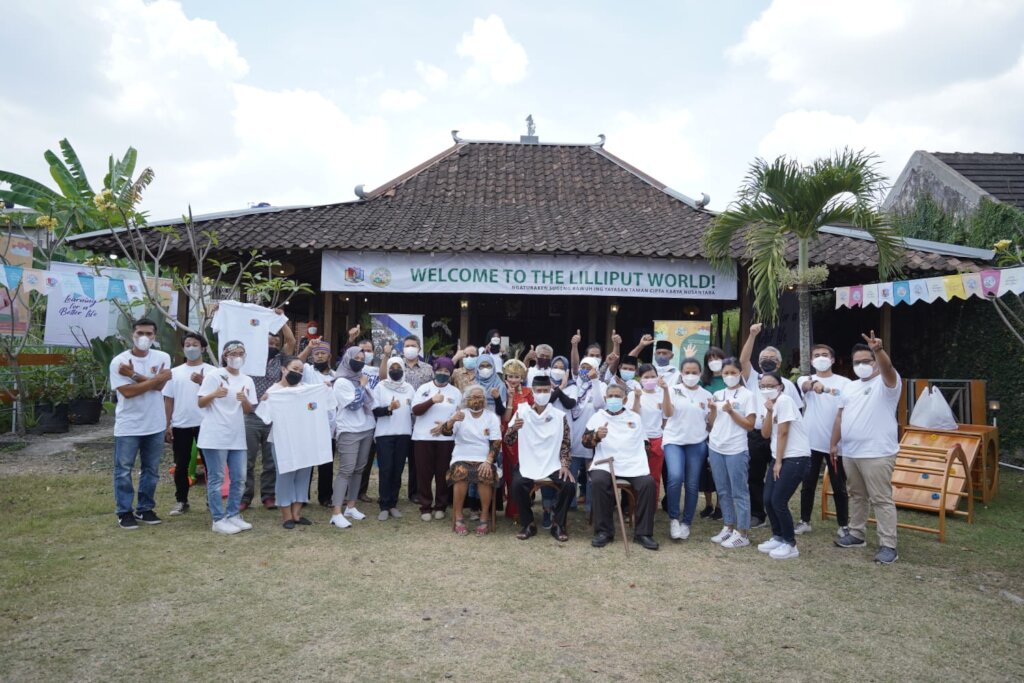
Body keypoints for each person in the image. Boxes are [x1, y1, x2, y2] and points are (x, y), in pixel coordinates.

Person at [830, 332, 902, 565]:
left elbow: (888, 369)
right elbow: (840, 417)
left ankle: (888, 545)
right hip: (851, 452)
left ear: (875, 362)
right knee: (857, 495)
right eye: (857, 362)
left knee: (881, 499)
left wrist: (879, 351)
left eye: (866, 361)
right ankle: (856, 533)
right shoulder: (850, 388)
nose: (861, 366)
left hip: (878, 452)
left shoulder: (887, 383)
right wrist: (834, 444)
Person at [256, 356, 337, 529]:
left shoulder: (308, 390)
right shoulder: (274, 392)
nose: (297, 373)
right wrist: (264, 401)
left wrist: (326, 388)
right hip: (283, 441)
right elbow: (264, 417)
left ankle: (297, 513)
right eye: (294, 369)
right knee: (285, 475)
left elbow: (328, 402)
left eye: (301, 370)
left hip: (306, 439)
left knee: (303, 475)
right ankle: (286, 516)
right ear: (284, 369)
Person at [110, 318, 173, 529]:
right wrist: (153, 380)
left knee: (151, 470)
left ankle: (145, 508)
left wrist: (133, 375)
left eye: (149, 334)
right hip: (129, 425)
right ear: (132, 335)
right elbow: (127, 392)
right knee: (123, 470)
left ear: (155, 336)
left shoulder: (162, 356)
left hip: (155, 424)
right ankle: (124, 512)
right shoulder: (119, 361)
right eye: (140, 333)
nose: (144, 338)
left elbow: (159, 387)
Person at [739, 323, 802, 528]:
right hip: (757, 434)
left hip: (779, 435)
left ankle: (777, 510)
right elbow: (743, 360)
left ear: (779, 363)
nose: (768, 361)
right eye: (764, 358)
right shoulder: (754, 379)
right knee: (754, 475)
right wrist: (752, 335)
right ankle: (757, 513)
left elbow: (797, 412)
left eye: (772, 359)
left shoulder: (787, 385)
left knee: (778, 474)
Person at [582, 384, 659, 550]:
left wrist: (638, 458)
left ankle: (643, 533)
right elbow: (585, 442)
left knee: (648, 484)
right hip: (605, 463)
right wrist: (596, 436)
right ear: (605, 398)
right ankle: (604, 531)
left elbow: (645, 443)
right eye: (610, 396)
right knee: (599, 482)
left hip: (632, 463)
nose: (613, 399)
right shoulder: (598, 417)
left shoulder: (635, 417)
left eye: (617, 396)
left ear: (624, 399)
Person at [197, 340, 258, 534]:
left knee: (239, 478)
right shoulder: (214, 375)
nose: (237, 357)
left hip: (237, 435)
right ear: (225, 355)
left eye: (241, 353)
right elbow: (201, 403)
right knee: (217, 478)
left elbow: (249, 410)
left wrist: (244, 400)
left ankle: (233, 514)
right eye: (233, 354)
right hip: (215, 435)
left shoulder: (247, 380)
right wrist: (215, 393)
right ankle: (218, 519)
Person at [506, 376, 575, 542]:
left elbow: (565, 443)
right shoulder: (522, 411)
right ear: (533, 392)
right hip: (528, 461)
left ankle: (558, 524)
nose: (542, 394)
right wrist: (514, 428)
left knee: (569, 485)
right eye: (539, 391)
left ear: (550, 392)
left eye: (546, 390)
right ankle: (528, 524)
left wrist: (564, 465)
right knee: (517, 484)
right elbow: (508, 440)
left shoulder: (559, 416)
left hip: (552, 463)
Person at [795, 344, 851, 537]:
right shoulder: (806, 378)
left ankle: (844, 524)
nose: (821, 358)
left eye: (825, 355)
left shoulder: (845, 383)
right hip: (810, 443)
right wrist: (814, 385)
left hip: (836, 444)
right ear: (811, 361)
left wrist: (824, 388)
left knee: (839, 486)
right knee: (808, 484)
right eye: (817, 355)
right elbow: (806, 386)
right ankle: (804, 521)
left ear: (833, 359)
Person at [756, 372, 811, 560]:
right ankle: (778, 536)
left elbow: (783, 433)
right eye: (762, 386)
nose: (766, 389)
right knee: (768, 499)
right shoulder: (772, 405)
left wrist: (778, 462)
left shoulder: (786, 401)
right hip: (778, 457)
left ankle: (790, 543)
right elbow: (765, 433)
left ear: (780, 386)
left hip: (795, 458)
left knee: (779, 501)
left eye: (771, 385)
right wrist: (769, 412)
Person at [242, 319, 296, 511]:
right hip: (251, 414)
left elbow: (291, 341)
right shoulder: (247, 358)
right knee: (247, 459)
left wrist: (282, 321)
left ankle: (268, 495)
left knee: (270, 460)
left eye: (275, 343)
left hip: (273, 417)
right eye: (268, 343)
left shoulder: (281, 359)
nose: (272, 346)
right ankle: (245, 497)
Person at [162, 332, 216, 517]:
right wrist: (167, 424)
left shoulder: (212, 371)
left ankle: (212, 500)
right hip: (181, 424)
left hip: (206, 424)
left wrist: (203, 382)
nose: (191, 348)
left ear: (202, 348)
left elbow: (219, 396)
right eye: (187, 345)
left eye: (195, 344)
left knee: (211, 464)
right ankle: (181, 500)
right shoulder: (174, 372)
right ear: (183, 348)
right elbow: (168, 400)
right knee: (181, 464)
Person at [707, 357, 757, 549]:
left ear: (740, 373)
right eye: (726, 373)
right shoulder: (718, 394)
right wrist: (713, 409)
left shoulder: (747, 395)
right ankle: (728, 526)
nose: (729, 376)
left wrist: (731, 412)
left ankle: (742, 532)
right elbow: (712, 423)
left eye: (733, 373)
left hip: (736, 448)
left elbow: (750, 425)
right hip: (716, 447)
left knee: (739, 491)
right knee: (723, 490)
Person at [662, 358, 713, 540]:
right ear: (681, 373)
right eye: (687, 372)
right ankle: (674, 518)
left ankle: (686, 522)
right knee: (675, 477)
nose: (690, 376)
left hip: (697, 442)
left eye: (694, 372)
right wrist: (665, 392)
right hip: (674, 440)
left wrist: (713, 411)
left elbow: (710, 422)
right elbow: (667, 413)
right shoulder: (673, 390)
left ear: (700, 374)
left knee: (692, 483)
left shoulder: (707, 395)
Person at [440, 386, 501, 535]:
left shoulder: (491, 416)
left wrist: (488, 461)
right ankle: (459, 516)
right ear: (466, 400)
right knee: (461, 472)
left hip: (484, 457)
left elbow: (496, 441)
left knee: (484, 474)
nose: (477, 400)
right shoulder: (460, 414)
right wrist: (452, 420)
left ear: (485, 400)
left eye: (480, 397)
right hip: (461, 456)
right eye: (473, 397)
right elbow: (445, 432)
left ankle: (484, 517)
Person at [381, 334, 434, 504]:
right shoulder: (396, 365)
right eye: (407, 345)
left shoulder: (427, 368)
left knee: (416, 460)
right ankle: (388, 494)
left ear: (419, 349)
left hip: (420, 420)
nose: (409, 348)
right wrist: (386, 356)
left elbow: (432, 390)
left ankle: (414, 492)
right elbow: (382, 378)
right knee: (394, 461)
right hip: (398, 420)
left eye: (413, 345)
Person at [329, 346, 375, 529]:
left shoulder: (359, 378)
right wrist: (363, 386)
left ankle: (351, 506)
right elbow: (355, 404)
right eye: (356, 357)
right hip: (349, 430)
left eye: (362, 358)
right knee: (346, 470)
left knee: (359, 469)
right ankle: (336, 512)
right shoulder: (341, 381)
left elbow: (371, 402)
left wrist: (363, 385)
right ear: (347, 359)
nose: (359, 360)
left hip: (366, 427)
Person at [411, 357, 461, 521]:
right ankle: (425, 506)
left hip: (446, 439)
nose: (442, 374)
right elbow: (416, 411)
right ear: (434, 370)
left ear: (451, 373)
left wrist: (445, 425)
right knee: (424, 473)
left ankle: (441, 505)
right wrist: (432, 400)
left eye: (446, 371)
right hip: (423, 437)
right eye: (439, 370)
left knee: (442, 474)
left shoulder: (455, 392)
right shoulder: (424, 389)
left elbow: (459, 415)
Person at [371, 358, 414, 521]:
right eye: (392, 367)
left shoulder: (409, 388)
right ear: (388, 369)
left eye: (399, 367)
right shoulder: (381, 386)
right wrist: (389, 408)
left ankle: (393, 504)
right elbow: (375, 410)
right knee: (386, 469)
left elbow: (414, 409)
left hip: (404, 433)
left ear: (403, 369)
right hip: (384, 434)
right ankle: (383, 505)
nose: (396, 370)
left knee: (398, 470)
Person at [298, 340, 337, 506]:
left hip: (328, 426)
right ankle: (302, 496)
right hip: (308, 424)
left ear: (329, 355)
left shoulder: (336, 376)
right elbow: (297, 362)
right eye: (316, 353)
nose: (320, 356)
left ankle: (325, 497)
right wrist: (308, 347)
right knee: (306, 463)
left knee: (326, 463)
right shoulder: (307, 371)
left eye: (323, 353)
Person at [565, 356, 606, 510]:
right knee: (571, 474)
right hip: (573, 437)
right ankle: (570, 504)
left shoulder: (601, 386)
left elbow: (599, 405)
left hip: (590, 437)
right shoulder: (573, 385)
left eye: (589, 368)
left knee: (591, 475)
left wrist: (595, 381)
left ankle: (590, 505)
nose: (585, 371)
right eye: (583, 367)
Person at [499, 359, 533, 520]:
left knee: (524, 472)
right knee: (510, 472)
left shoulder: (528, 392)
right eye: (510, 376)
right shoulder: (501, 390)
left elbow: (534, 415)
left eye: (517, 377)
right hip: (508, 437)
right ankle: (511, 509)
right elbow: (505, 418)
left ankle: (523, 507)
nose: (513, 380)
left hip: (526, 437)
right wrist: (511, 399)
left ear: (522, 378)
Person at [628, 364, 667, 503]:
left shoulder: (661, 395)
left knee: (654, 476)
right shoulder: (634, 394)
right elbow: (632, 417)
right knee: (636, 475)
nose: (650, 380)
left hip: (656, 439)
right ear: (640, 378)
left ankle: (651, 506)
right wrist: (638, 398)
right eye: (646, 377)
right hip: (638, 440)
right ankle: (634, 507)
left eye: (653, 376)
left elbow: (665, 420)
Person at [697, 346, 726, 520]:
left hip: (723, 429)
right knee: (705, 469)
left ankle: (720, 505)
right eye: (710, 359)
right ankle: (708, 504)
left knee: (719, 469)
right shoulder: (703, 381)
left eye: (717, 358)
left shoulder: (729, 378)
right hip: (705, 429)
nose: (714, 362)